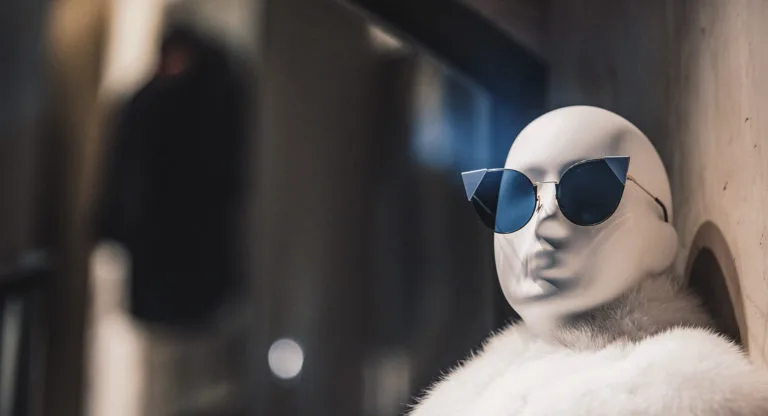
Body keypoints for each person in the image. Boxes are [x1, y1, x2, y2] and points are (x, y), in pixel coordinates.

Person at [407, 106, 768, 415]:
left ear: (662, 240)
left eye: (588, 192)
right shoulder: (462, 398)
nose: (544, 218)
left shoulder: (685, 395)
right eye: (517, 197)